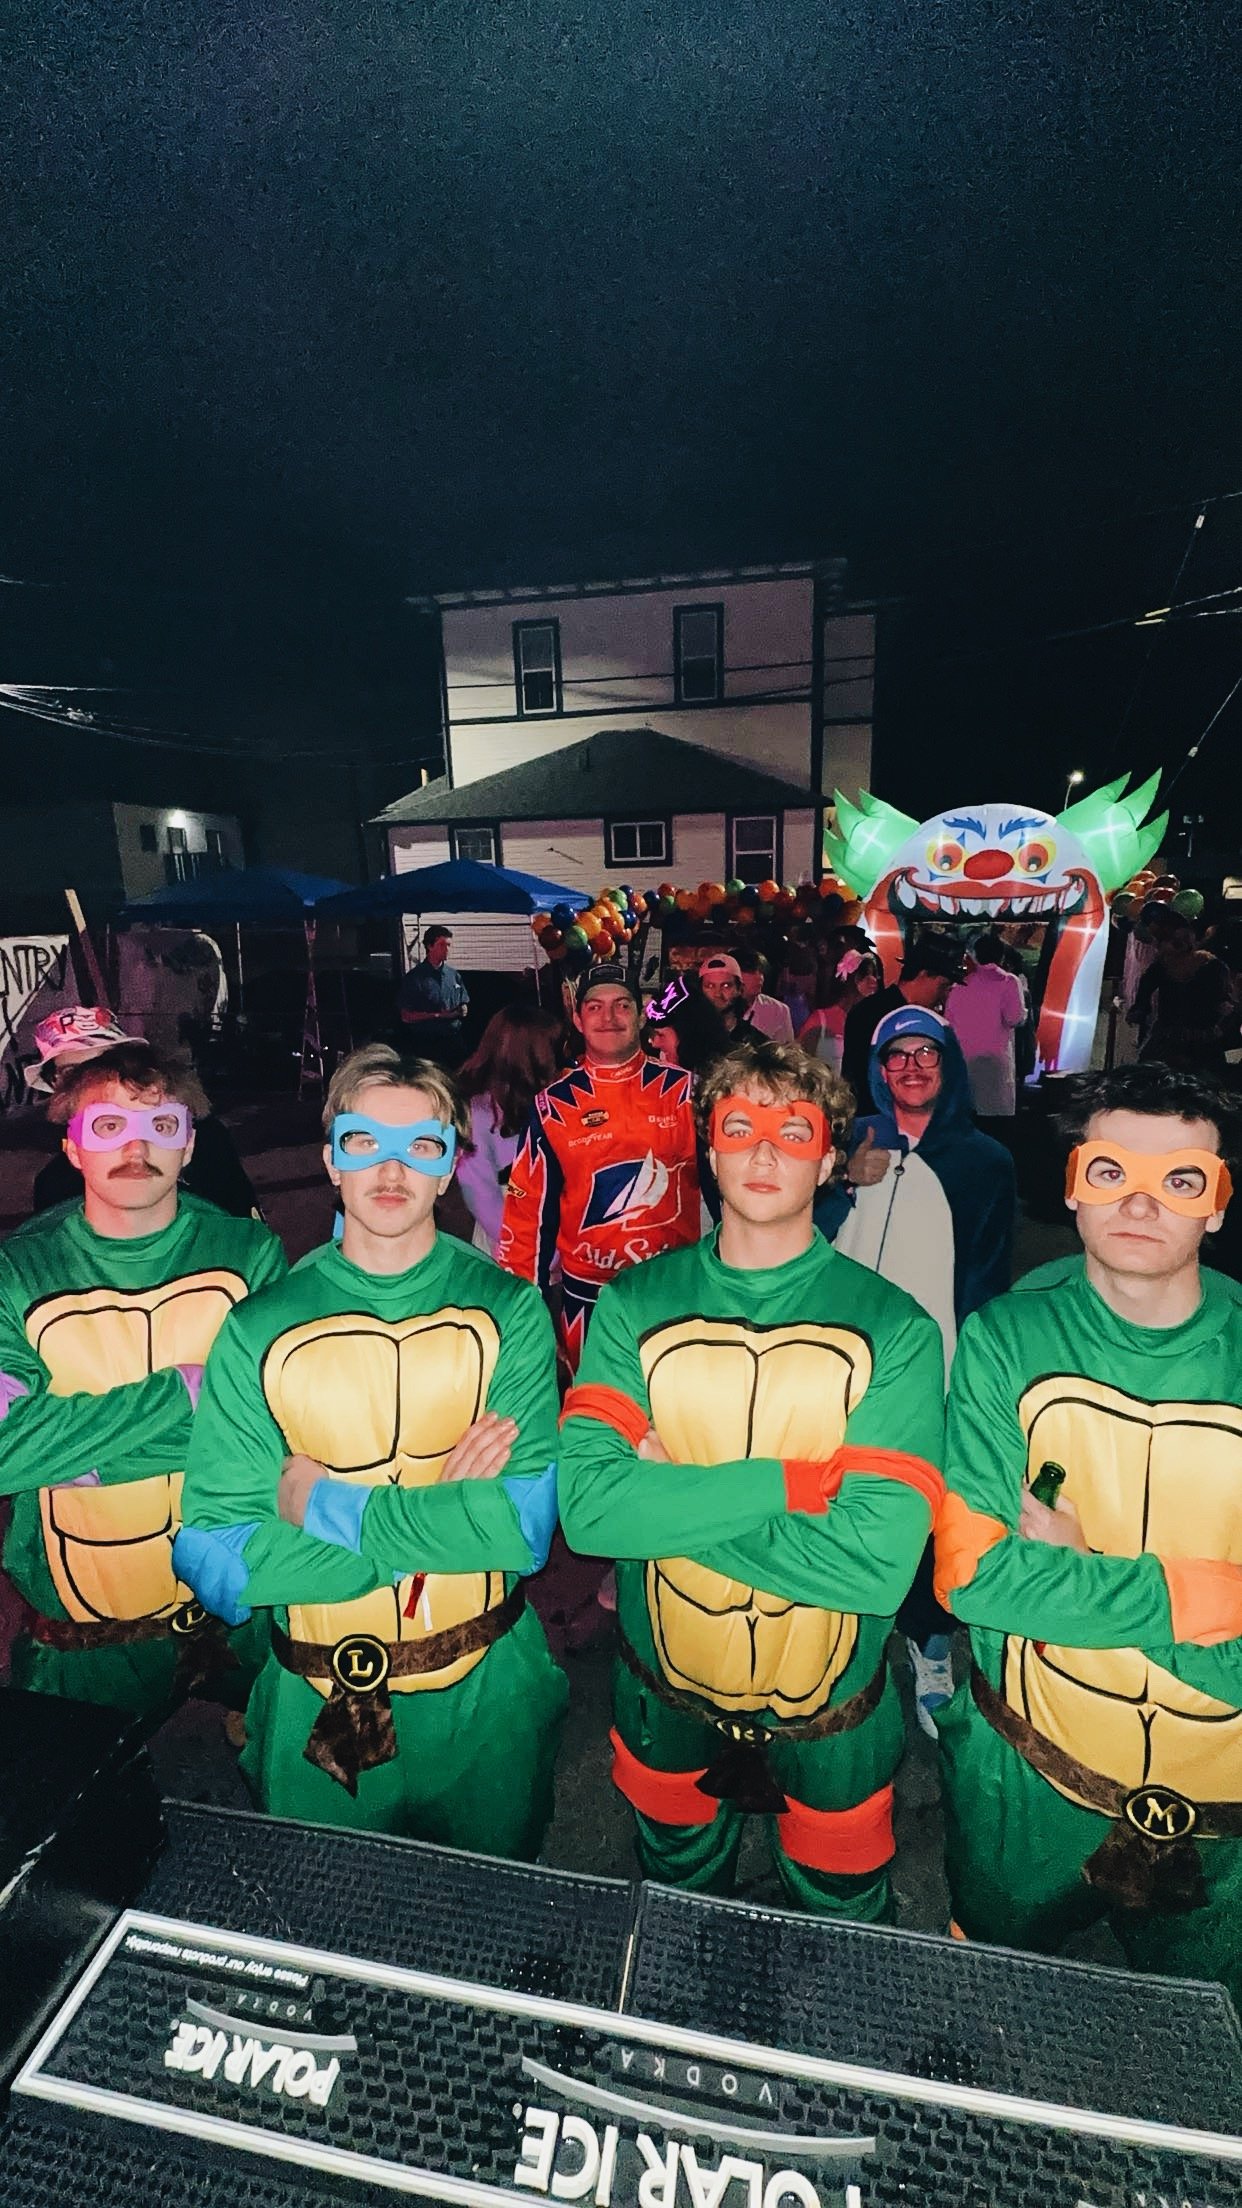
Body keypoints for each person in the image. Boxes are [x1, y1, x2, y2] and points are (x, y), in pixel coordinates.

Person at [559, 1041, 943, 1919]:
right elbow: (587, 1512)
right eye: (740, 1128)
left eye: (793, 1131)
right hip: (661, 1689)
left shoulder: (897, 1328)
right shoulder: (632, 1306)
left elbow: (875, 1567)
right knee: (673, 1896)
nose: (765, 1153)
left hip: (836, 1707)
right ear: (709, 1149)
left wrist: (664, 1495)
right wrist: (792, 1485)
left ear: (831, 1158)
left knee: (844, 1909)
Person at [174, 1044, 567, 1852]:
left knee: (498, 1921)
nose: (390, 1170)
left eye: (419, 1145)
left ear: (452, 1164)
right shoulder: (259, 1327)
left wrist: (320, 1506)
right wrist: (439, 1516)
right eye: (364, 1142)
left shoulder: (511, 1310)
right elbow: (214, 1557)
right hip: (319, 1691)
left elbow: (521, 1534)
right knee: (329, 1930)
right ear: (330, 1158)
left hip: (486, 1691)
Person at [933, 1062, 1242, 2002]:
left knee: (1199, 2055)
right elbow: (976, 1580)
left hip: (1226, 1813)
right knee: (985, 2000)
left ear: (1219, 1205)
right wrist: (1207, 1598)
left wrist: (1087, 1568)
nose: (1141, 1204)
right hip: (1024, 1783)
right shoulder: (1003, 1341)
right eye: (1112, 1172)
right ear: (1074, 1184)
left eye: (1180, 1180)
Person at [0, 1040, 285, 1722]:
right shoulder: (17, 1273)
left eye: (162, 1126)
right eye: (108, 1126)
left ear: (189, 1147)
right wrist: (185, 1393)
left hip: (237, 1597)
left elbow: (278, 1425)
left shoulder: (249, 1253)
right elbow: (7, 1449)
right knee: (82, 1809)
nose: (138, 1148)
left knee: (296, 1789)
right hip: (86, 1630)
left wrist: (77, 1460)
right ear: (72, 1149)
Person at [825, 1005, 1015, 1736]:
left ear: (949, 1064)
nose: (910, 1067)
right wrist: (841, 1178)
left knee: (931, 1502)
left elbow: (988, 1274)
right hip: (842, 1361)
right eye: (896, 1055)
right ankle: (849, 1624)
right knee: (844, 1486)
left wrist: (971, 1370)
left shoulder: (985, 1162)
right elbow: (795, 1232)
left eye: (925, 1054)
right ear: (876, 1068)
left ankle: (929, 1642)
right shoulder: (847, 1141)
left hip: (937, 1362)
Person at [498, 964, 700, 1373]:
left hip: (675, 1295)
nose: (609, 1018)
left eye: (621, 1005)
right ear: (578, 1018)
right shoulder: (553, 1106)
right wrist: (528, 1315)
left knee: (678, 1425)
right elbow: (526, 1223)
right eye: (595, 1007)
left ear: (641, 1013)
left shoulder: (686, 1092)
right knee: (590, 1421)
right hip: (587, 1303)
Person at [25, 1004, 262, 1221]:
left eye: (104, 1066)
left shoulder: (207, 1140)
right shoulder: (54, 1183)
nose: (90, 1084)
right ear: (56, 1087)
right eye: (71, 1073)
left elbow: (245, 1232)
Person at [456, 1004, 563, 1255]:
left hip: (556, 1239)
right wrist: (537, 1251)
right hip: (510, 1248)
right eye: (555, 1049)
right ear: (532, 1056)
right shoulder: (479, 1114)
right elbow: (482, 1197)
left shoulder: (549, 1101)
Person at [841, 933, 963, 1108]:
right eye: (943, 986)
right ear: (923, 975)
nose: (944, 996)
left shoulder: (916, 1017)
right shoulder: (874, 1013)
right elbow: (862, 1076)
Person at [1131, 919, 1235, 1074]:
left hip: (1203, 1037)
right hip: (1168, 1035)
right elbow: (1144, 992)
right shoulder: (1161, 967)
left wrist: (1223, 1011)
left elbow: (1226, 1000)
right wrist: (1139, 1009)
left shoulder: (1213, 967)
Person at [946, 934, 1027, 1120]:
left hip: (964, 1061)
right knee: (995, 1120)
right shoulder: (1009, 982)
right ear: (1002, 956)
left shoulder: (959, 986)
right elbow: (1014, 1018)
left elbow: (948, 1022)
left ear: (975, 956)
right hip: (995, 1063)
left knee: (969, 1116)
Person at [798, 951, 881, 1074]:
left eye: (874, 975)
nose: (873, 981)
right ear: (852, 980)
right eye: (866, 975)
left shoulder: (874, 1022)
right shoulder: (820, 1019)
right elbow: (798, 1061)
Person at [396, 926, 470, 1063]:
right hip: (427, 1044)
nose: (447, 949)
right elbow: (406, 1016)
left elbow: (463, 1000)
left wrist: (463, 1008)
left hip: (453, 1040)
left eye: (449, 945)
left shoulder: (453, 975)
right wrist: (438, 1015)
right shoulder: (415, 978)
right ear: (429, 946)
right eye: (442, 945)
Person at [643, 975, 733, 1081]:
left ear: (688, 1036)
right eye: (653, 1034)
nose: (655, 1043)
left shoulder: (727, 1080)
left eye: (661, 1035)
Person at [697, 953, 766, 1049]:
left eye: (726, 986)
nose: (717, 994)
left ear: (739, 989)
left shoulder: (756, 1043)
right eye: (710, 986)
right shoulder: (684, 1037)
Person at [734, 948, 795, 1044]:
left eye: (761, 972)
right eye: (751, 971)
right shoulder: (720, 1005)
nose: (759, 977)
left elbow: (787, 1051)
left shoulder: (778, 1010)